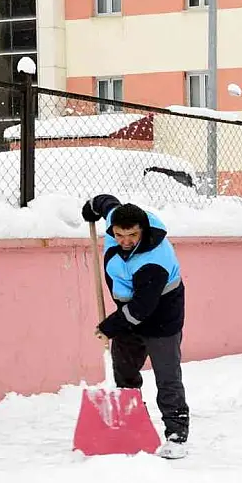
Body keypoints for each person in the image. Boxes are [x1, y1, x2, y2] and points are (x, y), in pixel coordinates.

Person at [82, 194, 190, 458]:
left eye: (132, 235)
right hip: (129, 313)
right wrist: (92, 207)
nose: (125, 241)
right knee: (124, 369)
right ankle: (131, 422)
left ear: (142, 229)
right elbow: (107, 203)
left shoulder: (154, 259)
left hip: (162, 317)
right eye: (119, 235)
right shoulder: (115, 222)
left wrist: (110, 326)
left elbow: (143, 308)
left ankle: (176, 435)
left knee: (167, 377)